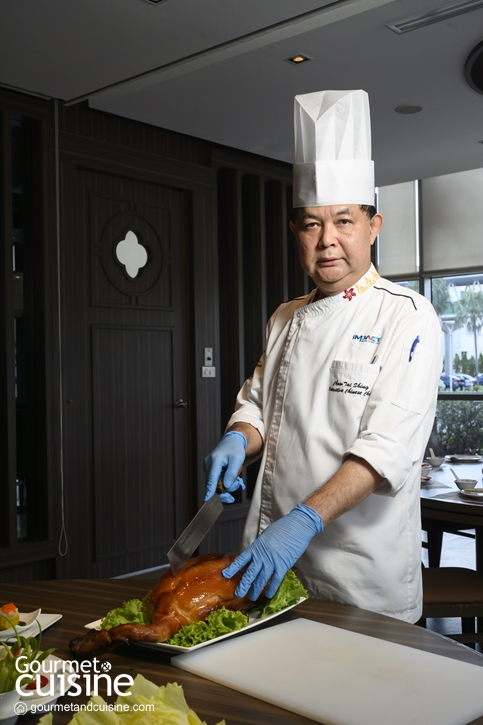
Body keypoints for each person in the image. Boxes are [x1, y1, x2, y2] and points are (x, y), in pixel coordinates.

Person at [204, 90, 442, 623]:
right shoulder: (285, 316)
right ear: (296, 231)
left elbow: (387, 450)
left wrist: (304, 519)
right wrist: (236, 440)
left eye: (344, 221)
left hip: (362, 576)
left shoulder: (409, 317)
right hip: (272, 566)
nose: (327, 241)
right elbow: (257, 405)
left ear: (373, 226)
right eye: (312, 224)